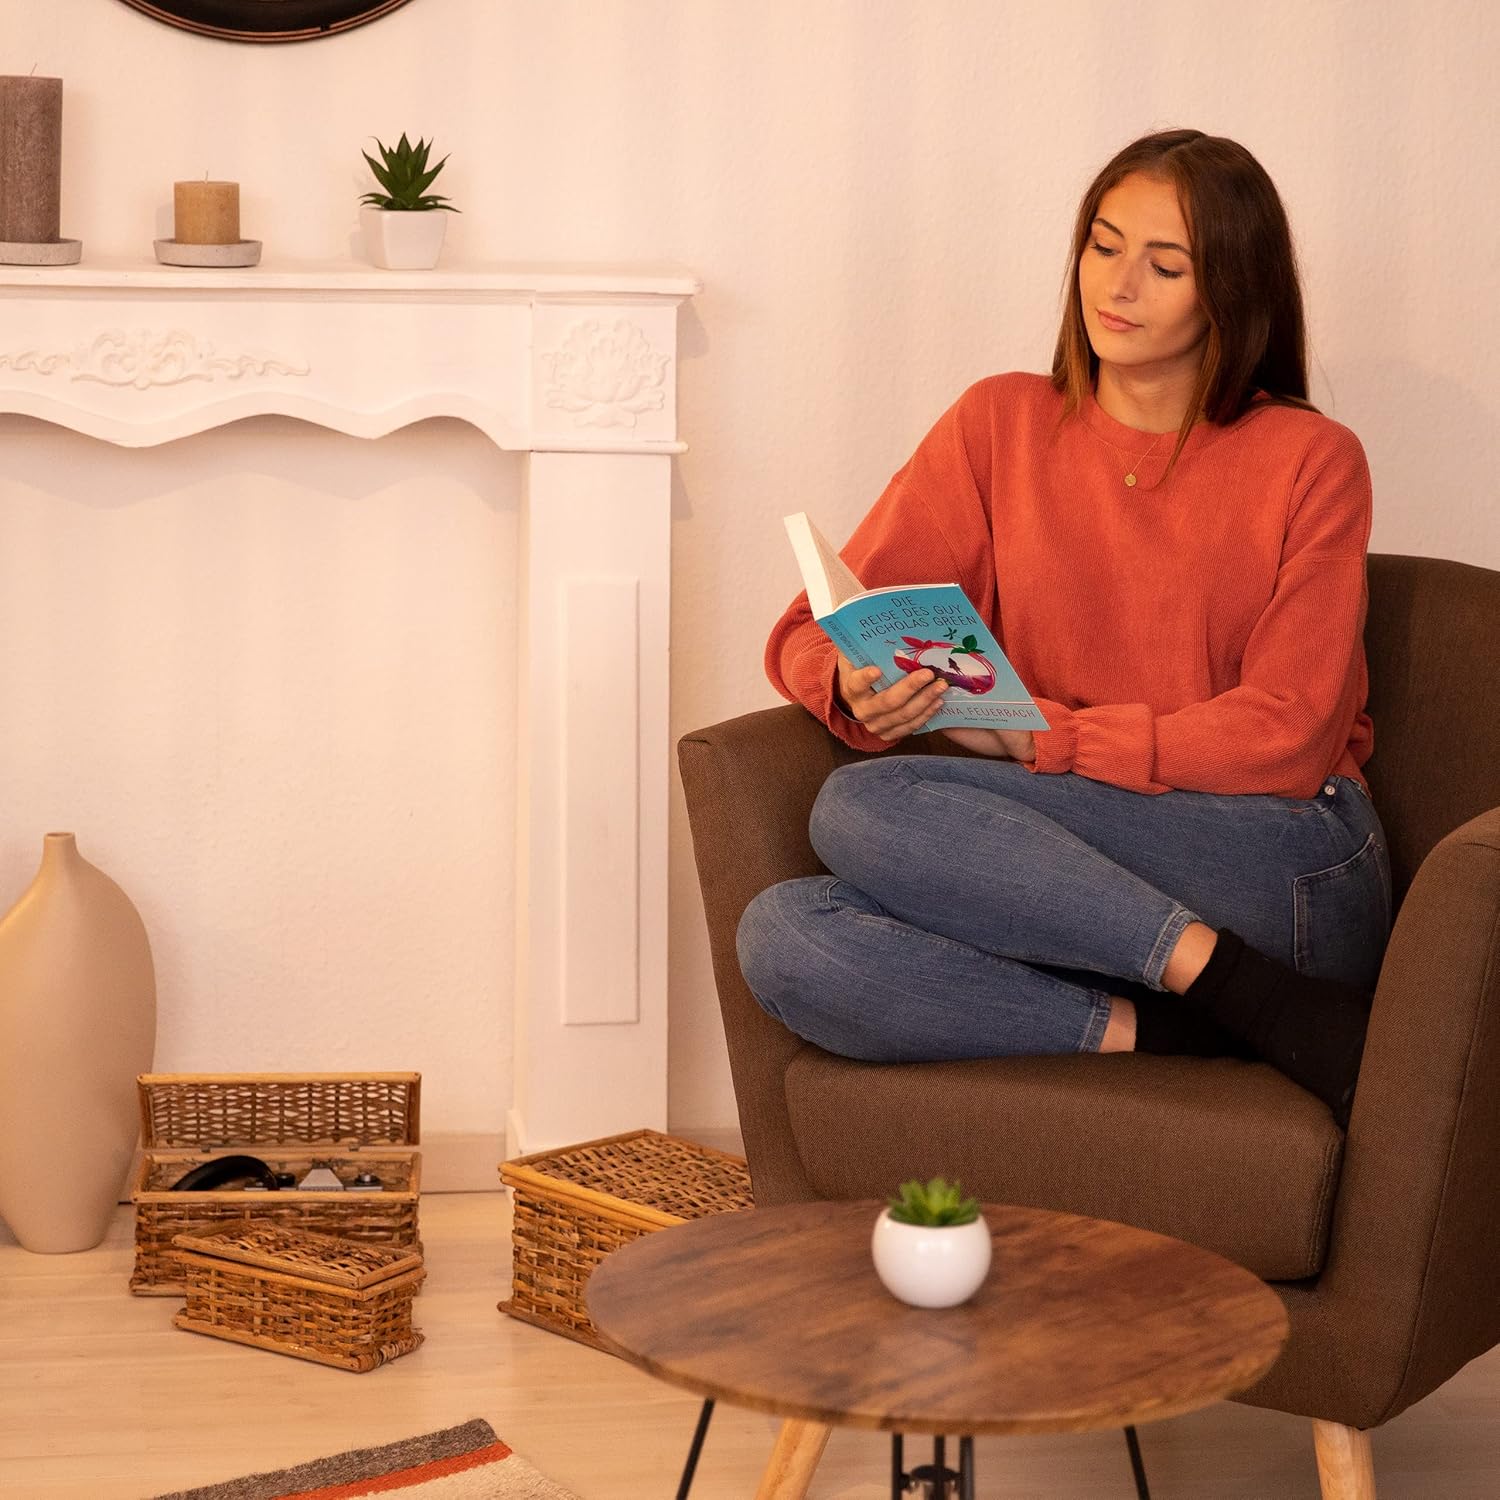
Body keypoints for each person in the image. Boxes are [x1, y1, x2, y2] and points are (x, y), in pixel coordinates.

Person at [736, 128, 1390, 1130]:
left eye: (1165, 264)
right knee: (788, 935)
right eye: (1103, 244)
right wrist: (858, 685)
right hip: (1068, 868)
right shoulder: (997, 425)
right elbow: (810, 628)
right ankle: (1212, 1013)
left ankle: (1241, 982)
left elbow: (1292, 734)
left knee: (862, 809)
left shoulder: (1311, 457)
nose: (1118, 285)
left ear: (1231, 290)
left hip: (1283, 859)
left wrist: (1048, 739)